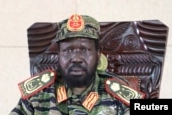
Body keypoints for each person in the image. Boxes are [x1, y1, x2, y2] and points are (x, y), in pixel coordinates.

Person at [9, 14, 145, 115]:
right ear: (59, 56)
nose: (76, 58)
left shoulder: (119, 96)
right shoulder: (38, 95)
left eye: (84, 50)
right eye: (68, 50)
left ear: (98, 55)